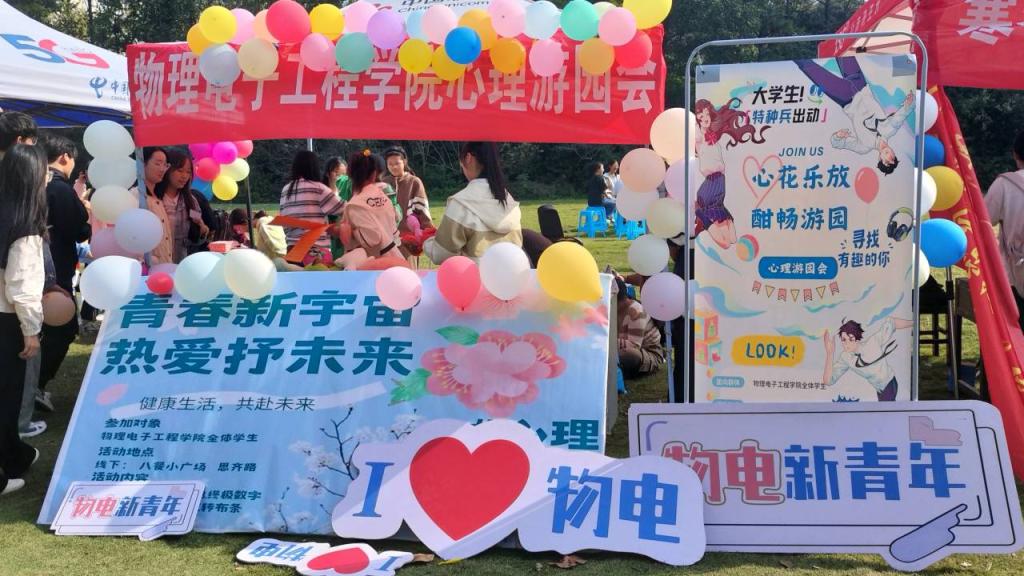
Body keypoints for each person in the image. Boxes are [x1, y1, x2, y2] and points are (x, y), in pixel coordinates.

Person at [31, 135, 91, 416]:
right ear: (65, 156)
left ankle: (29, 386)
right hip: (54, 271)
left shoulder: (31, 183)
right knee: (62, 328)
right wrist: (86, 216)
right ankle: (35, 385)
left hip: (31, 268)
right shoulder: (59, 189)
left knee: (33, 329)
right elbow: (76, 230)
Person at [0, 144, 47, 496]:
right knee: (7, 396)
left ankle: (16, 454)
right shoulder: (25, 225)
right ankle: (10, 461)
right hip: (7, 320)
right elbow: (23, 285)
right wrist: (31, 330)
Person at [795, 57, 914, 175]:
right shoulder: (890, 129)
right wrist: (908, 104)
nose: (890, 158)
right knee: (846, 54)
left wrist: (838, 136)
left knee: (809, 67)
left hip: (845, 97)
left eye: (887, 162)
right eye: (893, 159)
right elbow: (902, 114)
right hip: (860, 84)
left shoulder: (864, 146)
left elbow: (837, 143)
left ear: (880, 159)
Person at [425, 142, 523, 263]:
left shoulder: (460, 204)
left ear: (468, 158)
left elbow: (441, 255)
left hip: (474, 274)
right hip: (510, 274)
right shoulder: (509, 201)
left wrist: (427, 241)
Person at [694, 98, 768, 249]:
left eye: (707, 114)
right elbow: (695, 133)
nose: (705, 118)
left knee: (733, 239)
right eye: (701, 115)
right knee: (726, 244)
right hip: (711, 186)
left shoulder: (712, 135)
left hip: (719, 183)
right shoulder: (699, 136)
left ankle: (704, 216)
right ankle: (700, 214)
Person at [338, 150, 404, 270]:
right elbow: (393, 228)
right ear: (374, 174)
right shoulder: (383, 196)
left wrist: (349, 231)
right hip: (395, 260)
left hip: (372, 267)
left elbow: (372, 239)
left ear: (349, 174)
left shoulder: (355, 205)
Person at [985, 130, 1024, 333]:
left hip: (1015, 277)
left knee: (1013, 337)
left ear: (1015, 154)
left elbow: (983, 222)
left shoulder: (1005, 184)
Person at [823, 317, 913, 401]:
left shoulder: (872, 343)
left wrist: (914, 323)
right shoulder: (846, 357)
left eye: (851, 339)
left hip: (889, 383)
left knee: (885, 411)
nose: (846, 344)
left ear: (857, 339)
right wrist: (830, 353)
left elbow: (892, 322)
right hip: (879, 389)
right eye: (843, 340)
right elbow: (828, 381)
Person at [279, 150, 345, 264]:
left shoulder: (286, 190)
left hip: (292, 252)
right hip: (315, 253)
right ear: (314, 167)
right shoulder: (318, 188)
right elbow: (345, 208)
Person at [156, 149, 219, 263]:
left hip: (182, 262)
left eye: (188, 172)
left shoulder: (190, 201)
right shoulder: (155, 199)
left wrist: (202, 229)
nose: (184, 176)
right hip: (158, 261)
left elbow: (197, 233)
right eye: (180, 170)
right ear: (168, 169)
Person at [615, 276, 665, 379]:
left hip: (648, 355)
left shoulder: (636, 311)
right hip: (625, 348)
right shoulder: (616, 309)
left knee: (627, 353)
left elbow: (633, 345)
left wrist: (607, 342)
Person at [383, 146, 433, 233]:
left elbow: (422, 208)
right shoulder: (383, 183)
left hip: (411, 233)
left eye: (397, 163)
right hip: (388, 234)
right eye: (390, 164)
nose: (394, 167)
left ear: (404, 162)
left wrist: (428, 230)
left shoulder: (414, 182)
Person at [137, 147, 173, 265]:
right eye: (157, 164)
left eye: (165, 165)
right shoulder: (137, 196)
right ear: (143, 164)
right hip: (149, 267)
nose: (162, 169)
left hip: (164, 265)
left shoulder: (158, 198)